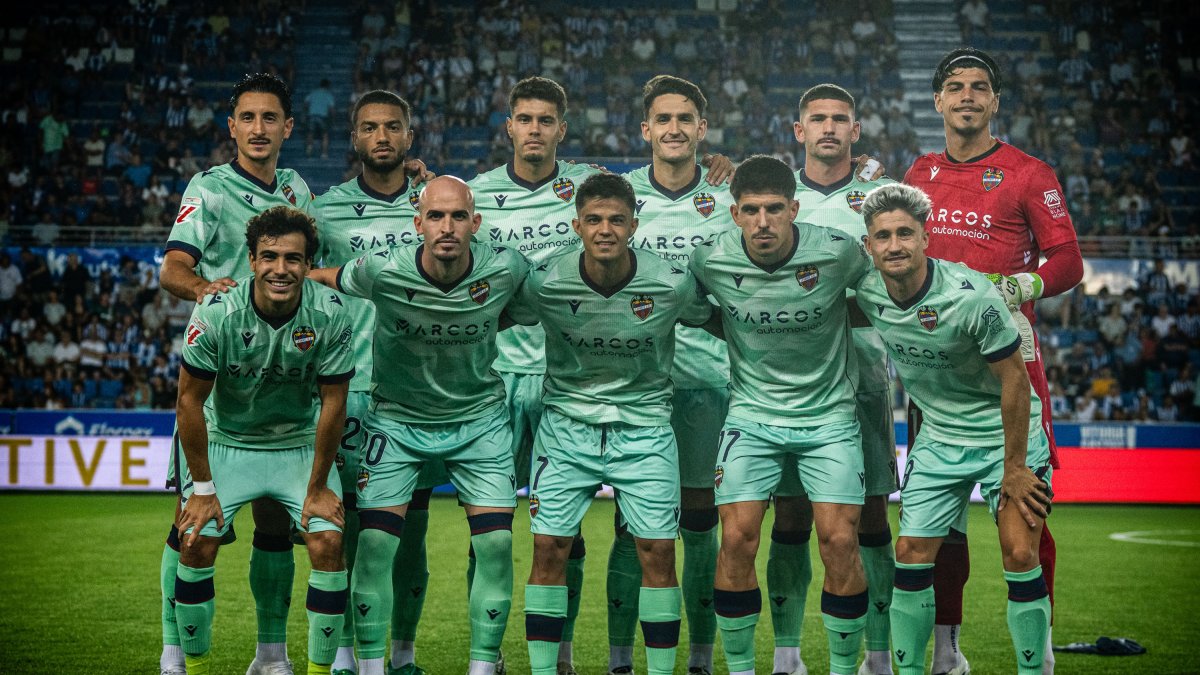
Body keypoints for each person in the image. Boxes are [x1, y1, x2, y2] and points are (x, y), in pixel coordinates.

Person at [903, 47, 1081, 675]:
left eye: (980, 87)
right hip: (933, 382)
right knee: (937, 526)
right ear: (938, 100)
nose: (967, 96)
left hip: (1010, 370)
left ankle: (1043, 651)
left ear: (995, 101)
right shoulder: (919, 175)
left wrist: (1019, 286)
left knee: (1024, 515)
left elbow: (1067, 261)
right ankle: (947, 651)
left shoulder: (1030, 174)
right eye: (955, 86)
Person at [310, 176, 531, 675]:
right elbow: (327, 278)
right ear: (418, 224)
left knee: (495, 543)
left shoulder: (507, 266)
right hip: (397, 421)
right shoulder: (382, 270)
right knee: (373, 545)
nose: (447, 227)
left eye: (457, 217)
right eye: (436, 217)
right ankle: (369, 669)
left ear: (476, 223)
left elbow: (536, 305)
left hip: (479, 421)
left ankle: (480, 669)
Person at [509, 172, 713, 675]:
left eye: (617, 220)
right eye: (595, 220)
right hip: (566, 426)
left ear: (634, 225)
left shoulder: (671, 281)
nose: (606, 230)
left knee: (658, 553)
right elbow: (496, 315)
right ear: (576, 224)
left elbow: (715, 319)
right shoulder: (545, 281)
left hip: (644, 429)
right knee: (549, 548)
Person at [855, 183, 1053, 675]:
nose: (894, 245)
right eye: (883, 236)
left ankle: (1037, 669)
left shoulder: (971, 297)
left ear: (926, 240)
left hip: (1003, 431)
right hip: (940, 436)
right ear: (869, 246)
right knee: (911, 552)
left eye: (906, 233)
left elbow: (1014, 380)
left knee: (1019, 551)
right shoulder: (865, 291)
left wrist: (1014, 467)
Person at [689, 156, 872, 675]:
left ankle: (841, 667)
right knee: (736, 539)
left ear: (794, 208)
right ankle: (744, 669)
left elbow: (881, 299)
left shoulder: (837, 253)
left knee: (839, 540)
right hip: (751, 415)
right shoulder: (711, 260)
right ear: (734, 213)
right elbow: (692, 308)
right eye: (751, 210)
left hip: (830, 416)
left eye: (774, 209)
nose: (763, 221)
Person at [159, 72, 314, 675]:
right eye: (247, 117)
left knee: (276, 521)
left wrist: (415, 179)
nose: (258, 128)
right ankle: (174, 650)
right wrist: (207, 288)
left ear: (287, 127)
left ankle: (270, 656)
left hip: (283, 378)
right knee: (192, 523)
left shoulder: (297, 189)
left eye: (269, 118)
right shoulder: (210, 188)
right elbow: (173, 269)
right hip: (218, 377)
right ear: (233, 126)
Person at [173, 206, 355, 675]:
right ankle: (191, 668)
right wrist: (203, 490)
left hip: (297, 445)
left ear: (307, 264)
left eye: (293, 259)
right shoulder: (215, 312)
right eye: (269, 256)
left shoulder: (331, 312)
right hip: (229, 442)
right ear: (251, 259)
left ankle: (314, 670)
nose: (280, 269)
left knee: (329, 541)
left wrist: (317, 488)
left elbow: (334, 404)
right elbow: (189, 403)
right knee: (194, 540)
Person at [467, 77, 601, 675]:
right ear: (510, 127)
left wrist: (720, 171)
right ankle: (486, 655)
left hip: (569, 382)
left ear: (561, 129)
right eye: (525, 119)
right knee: (489, 531)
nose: (535, 130)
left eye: (547, 120)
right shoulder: (477, 196)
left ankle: (562, 651)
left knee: (563, 532)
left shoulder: (590, 187)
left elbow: (667, 188)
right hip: (495, 381)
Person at [604, 74, 736, 675]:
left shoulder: (732, 198)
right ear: (646, 130)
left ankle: (702, 660)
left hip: (710, 384)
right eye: (664, 119)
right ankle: (620, 661)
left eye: (687, 119)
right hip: (633, 389)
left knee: (703, 528)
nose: (675, 129)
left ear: (702, 129)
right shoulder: (617, 197)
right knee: (631, 530)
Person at [768, 83, 899, 675]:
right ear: (798, 131)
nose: (827, 128)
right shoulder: (773, 198)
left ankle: (876, 656)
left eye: (838, 119)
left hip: (862, 380)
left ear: (855, 130)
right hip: (784, 386)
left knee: (870, 519)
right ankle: (787, 655)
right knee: (791, 518)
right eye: (816, 118)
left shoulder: (879, 198)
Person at [311, 89, 434, 675]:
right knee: (348, 529)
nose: (381, 137)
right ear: (354, 138)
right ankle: (345, 657)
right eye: (369, 128)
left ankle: (402, 656)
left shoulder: (437, 202)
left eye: (392, 128)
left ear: (409, 137)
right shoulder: (325, 209)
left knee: (412, 535)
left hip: (421, 393)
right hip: (350, 389)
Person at [306, 79, 337, 159]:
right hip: (322, 117)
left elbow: (306, 103)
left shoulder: (313, 93)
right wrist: (333, 119)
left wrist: (305, 114)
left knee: (310, 133)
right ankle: (324, 154)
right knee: (325, 135)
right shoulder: (328, 94)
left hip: (312, 116)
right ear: (328, 86)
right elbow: (332, 109)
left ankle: (309, 149)